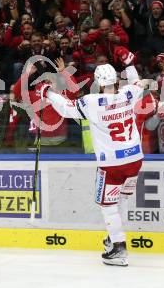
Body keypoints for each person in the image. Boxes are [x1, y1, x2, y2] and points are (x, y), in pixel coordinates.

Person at [40, 48, 143, 266]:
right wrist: (129, 63)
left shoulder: (92, 102)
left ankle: (118, 247)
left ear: (97, 80)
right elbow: (137, 83)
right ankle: (113, 237)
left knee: (108, 205)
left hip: (112, 164)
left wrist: (48, 93)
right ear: (115, 79)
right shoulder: (127, 94)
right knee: (122, 199)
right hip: (135, 158)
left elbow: (67, 109)